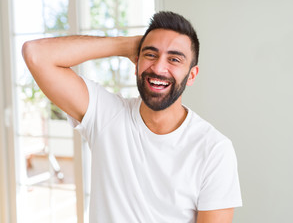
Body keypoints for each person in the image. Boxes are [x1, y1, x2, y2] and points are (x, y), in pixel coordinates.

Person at [22, 11, 242, 223]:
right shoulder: (106, 115)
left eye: (174, 59)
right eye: (150, 54)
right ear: (136, 62)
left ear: (191, 75)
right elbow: (36, 54)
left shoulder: (214, 150)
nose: (158, 67)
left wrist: (148, 48)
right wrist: (124, 45)